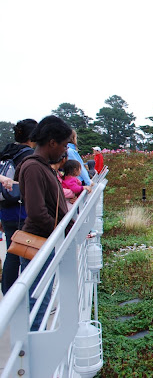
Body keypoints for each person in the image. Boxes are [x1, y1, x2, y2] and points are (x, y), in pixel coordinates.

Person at [16, 115, 71, 331]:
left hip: (45, 240)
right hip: (39, 242)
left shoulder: (41, 166)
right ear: (52, 142)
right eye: (64, 145)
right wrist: (61, 232)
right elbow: (37, 212)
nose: (64, 151)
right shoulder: (33, 168)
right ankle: (32, 349)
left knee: (42, 296)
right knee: (37, 299)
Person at [0, 118, 37, 295]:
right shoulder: (28, 155)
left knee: (11, 252)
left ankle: (8, 294)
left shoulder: (7, 151)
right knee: (25, 255)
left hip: (6, 210)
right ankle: (24, 296)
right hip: (22, 211)